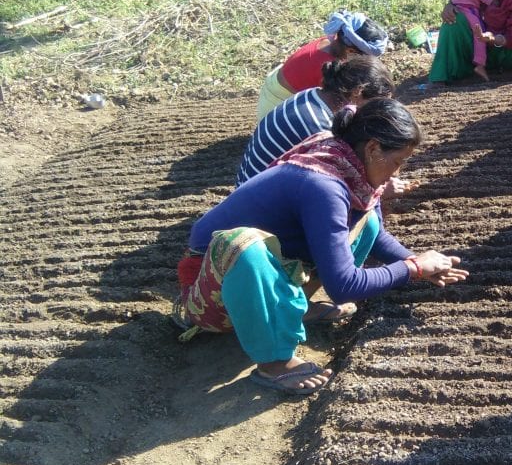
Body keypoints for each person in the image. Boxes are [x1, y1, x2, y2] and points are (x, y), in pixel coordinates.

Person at [175, 99, 468, 395]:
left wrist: (414, 259)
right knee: (242, 246)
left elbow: (372, 232)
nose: (397, 173)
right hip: (211, 290)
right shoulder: (324, 185)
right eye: (398, 161)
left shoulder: (345, 161)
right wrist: (413, 269)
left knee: (364, 218)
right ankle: (274, 363)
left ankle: (294, 309)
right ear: (373, 148)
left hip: (266, 270)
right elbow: (344, 285)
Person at [238, 56, 393, 186]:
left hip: (249, 185)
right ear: (357, 93)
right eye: (374, 104)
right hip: (261, 205)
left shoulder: (312, 95)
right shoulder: (320, 128)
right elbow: (338, 185)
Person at [256, 10, 389, 120]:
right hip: (278, 104)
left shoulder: (334, 44)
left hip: (280, 82)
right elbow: (339, 107)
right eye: (366, 56)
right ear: (351, 51)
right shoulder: (326, 67)